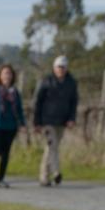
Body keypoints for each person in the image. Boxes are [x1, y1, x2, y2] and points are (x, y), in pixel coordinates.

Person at [34, 55, 78, 187]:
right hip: (47, 120)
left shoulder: (71, 83)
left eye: (63, 67)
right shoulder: (47, 81)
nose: (61, 69)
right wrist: (37, 122)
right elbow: (38, 102)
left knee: (51, 148)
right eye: (59, 67)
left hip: (62, 121)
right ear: (54, 68)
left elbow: (74, 102)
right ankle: (56, 172)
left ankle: (44, 177)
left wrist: (71, 119)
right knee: (51, 145)